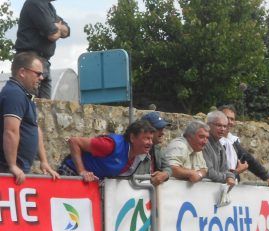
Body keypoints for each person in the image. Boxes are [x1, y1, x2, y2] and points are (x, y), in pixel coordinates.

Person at [163, 120, 225, 231]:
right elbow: (171, 169)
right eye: (201, 137)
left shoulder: (197, 151)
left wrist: (197, 174)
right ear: (189, 136)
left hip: (189, 207)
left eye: (206, 137)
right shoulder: (180, 146)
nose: (205, 141)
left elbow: (204, 169)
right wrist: (190, 173)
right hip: (172, 205)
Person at [0, 52, 59, 184]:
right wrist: (12, 165)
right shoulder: (14, 94)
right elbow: (10, 131)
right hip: (7, 171)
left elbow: (34, 127)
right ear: (22, 72)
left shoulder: (25, 95)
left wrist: (44, 161)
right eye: (37, 73)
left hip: (18, 170)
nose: (41, 78)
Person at [57, 120, 155, 181]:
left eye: (151, 139)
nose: (150, 143)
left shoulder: (137, 156)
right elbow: (74, 141)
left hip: (91, 181)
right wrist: (82, 171)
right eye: (146, 138)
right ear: (133, 137)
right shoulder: (110, 145)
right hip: (71, 173)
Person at [15, 0, 70, 99]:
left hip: (43, 61)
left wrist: (58, 27)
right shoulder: (35, 3)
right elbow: (52, 35)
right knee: (29, 103)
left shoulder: (49, 7)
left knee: (45, 108)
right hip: (30, 59)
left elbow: (67, 31)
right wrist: (58, 29)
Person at [219, 105, 269, 191]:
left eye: (232, 119)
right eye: (227, 118)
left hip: (232, 188)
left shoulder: (233, 142)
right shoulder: (211, 140)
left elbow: (249, 160)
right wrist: (236, 172)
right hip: (214, 187)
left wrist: (267, 177)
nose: (230, 122)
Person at [132, 111, 172, 186]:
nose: (163, 132)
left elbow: (168, 167)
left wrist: (164, 174)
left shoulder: (157, 148)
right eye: (159, 129)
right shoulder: (136, 149)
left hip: (148, 194)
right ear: (146, 131)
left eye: (163, 129)